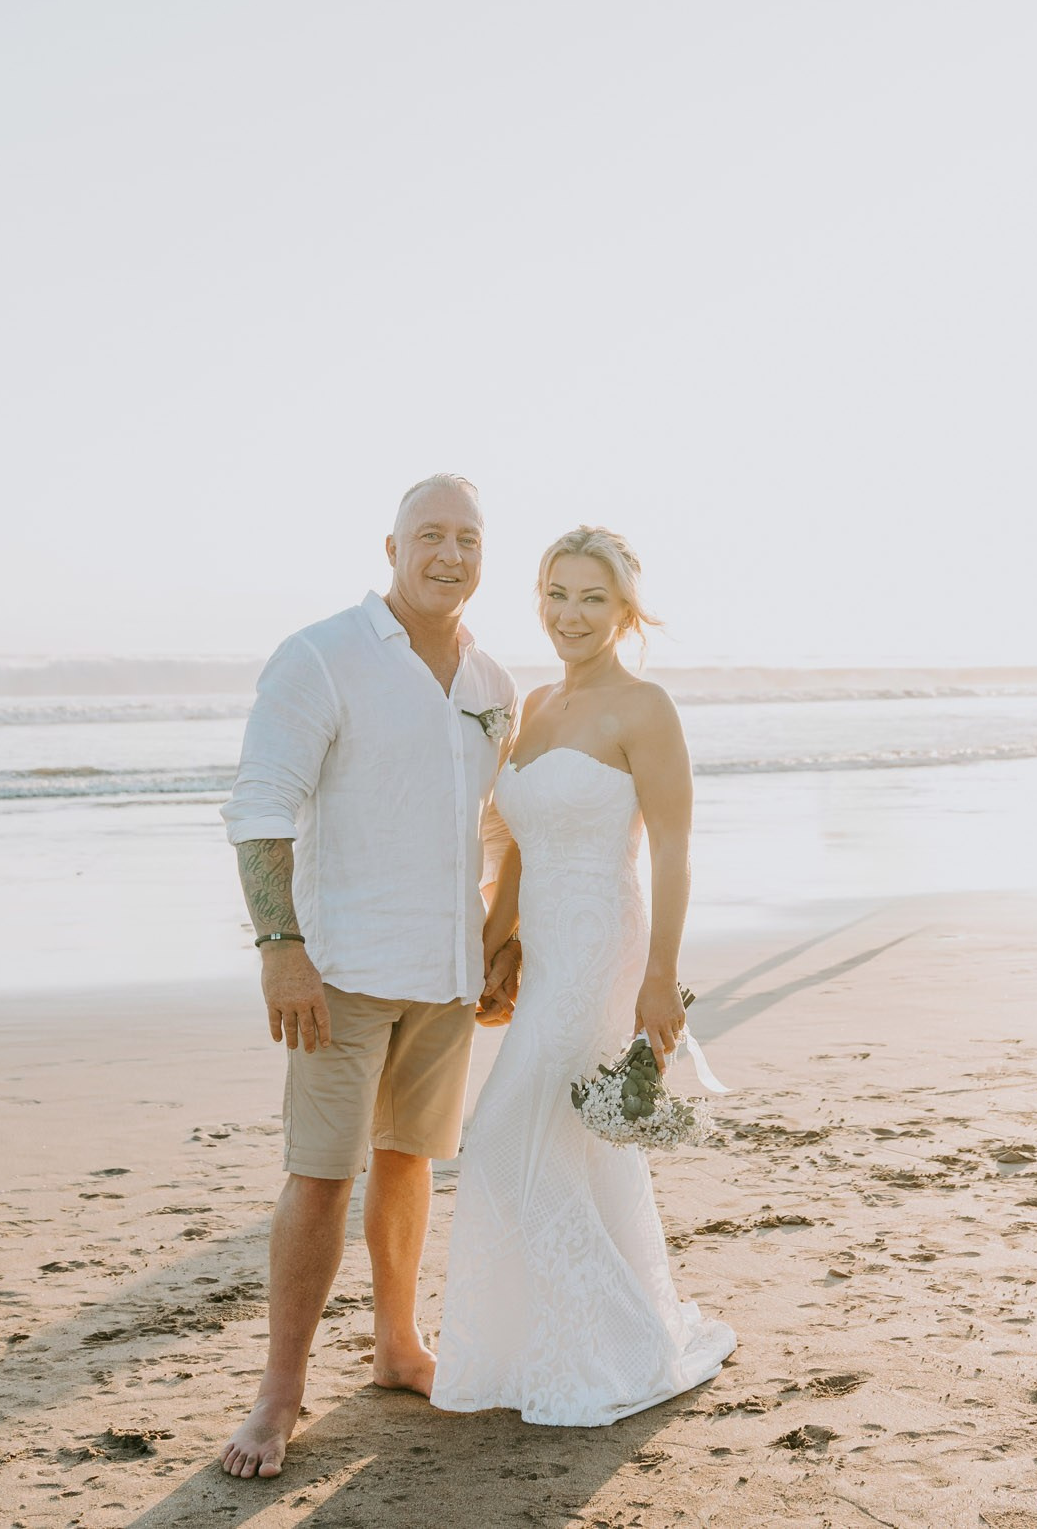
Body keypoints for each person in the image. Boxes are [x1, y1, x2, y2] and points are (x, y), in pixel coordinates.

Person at [215, 474, 522, 1479]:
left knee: (408, 1159)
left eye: (467, 539)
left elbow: (489, 825)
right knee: (320, 1171)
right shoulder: (321, 655)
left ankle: (397, 1344)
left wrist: (498, 939)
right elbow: (260, 807)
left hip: (444, 971)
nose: (449, 555)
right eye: (429, 535)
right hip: (338, 969)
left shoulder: (490, 682)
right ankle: (279, 1391)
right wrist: (281, 950)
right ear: (387, 545)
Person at [430, 525, 736, 1425]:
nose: (570, 613)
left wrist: (661, 976)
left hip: (607, 948)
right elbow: (520, 841)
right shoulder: (535, 703)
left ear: (625, 609)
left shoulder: (645, 708)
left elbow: (676, 850)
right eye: (556, 594)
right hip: (546, 948)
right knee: (570, 1146)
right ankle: (553, 1345)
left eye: (591, 598)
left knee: (500, 1144)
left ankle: (620, 1343)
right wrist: (498, 939)